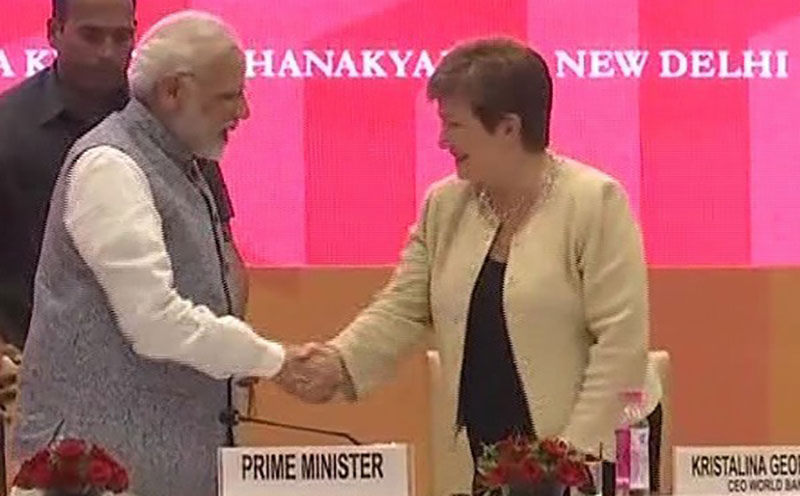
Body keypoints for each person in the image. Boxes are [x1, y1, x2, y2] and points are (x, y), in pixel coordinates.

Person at [284, 38, 663, 495]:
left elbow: (621, 342)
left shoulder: (595, 202)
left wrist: (570, 457)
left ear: (507, 128)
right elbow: (403, 307)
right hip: (496, 444)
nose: (442, 140)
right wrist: (340, 362)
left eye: (454, 124)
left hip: (600, 445)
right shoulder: (444, 205)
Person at [13, 11, 304, 496]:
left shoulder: (184, 163)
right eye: (230, 96)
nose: (245, 111)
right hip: (93, 474)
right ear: (174, 92)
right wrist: (273, 360)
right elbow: (154, 321)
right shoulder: (111, 167)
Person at [0, 0, 249, 351]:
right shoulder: (6, 131)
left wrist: (227, 349)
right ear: (54, 32)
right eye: (91, 35)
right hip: (30, 372)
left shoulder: (174, 122)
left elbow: (222, 252)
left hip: (167, 371)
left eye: (122, 37)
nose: (107, 51)